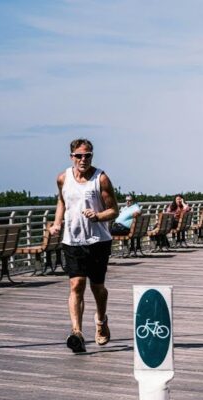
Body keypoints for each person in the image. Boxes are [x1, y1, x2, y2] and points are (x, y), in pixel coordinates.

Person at [50, 138, 119, 353]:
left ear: (92, 156)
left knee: (97, 287)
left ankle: (101, 320)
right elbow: (61, 201)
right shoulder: (63, 178)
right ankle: (77, 332)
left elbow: (114, 210)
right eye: (79, 156)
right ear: (71, 157)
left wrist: (97, 216)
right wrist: (57, 223)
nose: (83, 159)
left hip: (98, 240)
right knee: (76, 285)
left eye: (87, 155)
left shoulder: (101, 179)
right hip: (72, 240)